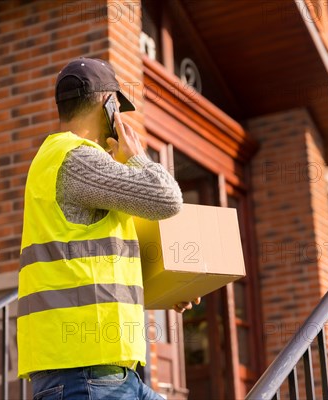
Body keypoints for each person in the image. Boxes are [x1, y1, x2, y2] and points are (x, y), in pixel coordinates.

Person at [17, 57, 199, 400]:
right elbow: (166, 198)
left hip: (99, 373)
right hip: (85, 375)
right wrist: (136, 157)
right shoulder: (78, 158)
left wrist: (167, 289)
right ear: (108, 103)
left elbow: (87, 272)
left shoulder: (58, 159)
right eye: (119, 109)